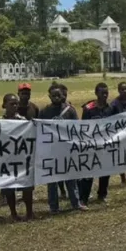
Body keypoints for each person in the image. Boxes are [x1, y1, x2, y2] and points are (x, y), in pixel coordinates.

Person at [39, 83, 88, 212]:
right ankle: (53, 207)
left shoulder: (70, 110)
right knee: (52, 181)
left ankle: (76, 203)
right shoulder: (44, 112)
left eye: (58, 95)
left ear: (63, 96)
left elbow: (76, 128)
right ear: (49, 96)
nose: (56, 97)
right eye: (53, 95)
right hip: (51, 151)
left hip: (67, 150)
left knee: (71, 178)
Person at [0, 94, 33, 220]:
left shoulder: (23, 121)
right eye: (12, 103)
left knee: (27, 186)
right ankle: (13, 214)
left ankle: (29, 213)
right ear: (4, 105)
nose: (15, 106)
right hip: (7, 160)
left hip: (22, 159)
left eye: (16, 104)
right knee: (9, 188)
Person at [81, 83, 115, 204]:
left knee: (105, 171)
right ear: (96, 93)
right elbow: (84, 127)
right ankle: (84, 198)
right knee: (89, 172)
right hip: (92, 145)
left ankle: (102, 195)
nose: (105, 95)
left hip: (106, 145)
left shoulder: (110, 108)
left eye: (106, 93)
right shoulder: (88, 109)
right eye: (102, 93)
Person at [110, 81, 126, 186]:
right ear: (118, 90)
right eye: (122, 89)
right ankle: (123, 179)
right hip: (119, 134)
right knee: (120, 156)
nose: (124, 91)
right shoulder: (114, 104)